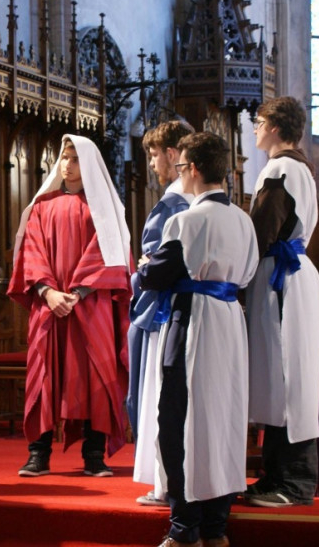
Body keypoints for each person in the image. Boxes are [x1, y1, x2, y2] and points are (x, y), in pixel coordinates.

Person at [139, 132, 258, 547]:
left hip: (193, 323)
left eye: (180, 167)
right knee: (223, 420)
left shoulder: (186, 221)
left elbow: (156, 275)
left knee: (178, 420)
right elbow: (247, 275)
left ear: (192, 169)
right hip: (229, 320)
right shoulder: (243, 220)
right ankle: (215, 527)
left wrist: (144, 267)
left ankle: (183, 528)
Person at [8, 134, 132, 478]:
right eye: (64, 157)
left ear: (89, 163)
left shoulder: (104, 209)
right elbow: (32, 252)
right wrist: (48, 292)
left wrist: (78, 292)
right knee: (44, 375)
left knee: (96, 376)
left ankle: (94, 454)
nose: (67, 165)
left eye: (75, 159)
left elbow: (111, 255)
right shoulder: (42, 206)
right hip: (50, 307)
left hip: (91, 307)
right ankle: (38, 453)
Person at [245, 96, 319, 508]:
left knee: (288, 378)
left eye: (259, 121)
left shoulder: (280, 170)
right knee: (280, 377)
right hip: (288, 275)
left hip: (282, 280)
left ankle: (294, 483)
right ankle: (274, 474)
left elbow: (261, 231)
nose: (255, 128)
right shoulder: (297, 168)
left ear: (275, 126)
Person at [128, 120, 194, 507]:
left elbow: (153, 265)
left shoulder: (172, 204)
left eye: (154, 155)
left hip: (162, 313)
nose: (152, 164)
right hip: (193, 310)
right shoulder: (200, 201)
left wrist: (141, 273)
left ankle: (164, 481)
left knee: (156, 398)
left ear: (172, 154)